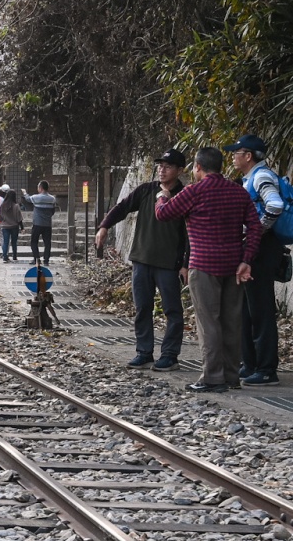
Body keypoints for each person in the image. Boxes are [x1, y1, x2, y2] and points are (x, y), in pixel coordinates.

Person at [155, 146, 261, 393]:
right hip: (234, 266)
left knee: (208, 323)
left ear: (199, 167)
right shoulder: (238, 192)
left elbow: (164, 214)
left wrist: (162, 195)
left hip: (203, 267)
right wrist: (247, 259)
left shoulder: (194, 191)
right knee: (231, 322)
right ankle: (232, 376)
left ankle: (213, 377)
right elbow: (255, 228)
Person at [94, 149, 190, 371]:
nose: (162, 170)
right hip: (142, 260)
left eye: (167, 166)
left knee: (172, 310)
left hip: (168, 264)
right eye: (160, 165)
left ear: (179, 170)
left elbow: (189, 234)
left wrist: (186, 263)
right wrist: (104, 226)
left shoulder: (184, 195)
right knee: (142, 308)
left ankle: (170, 355)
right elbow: (122, 208)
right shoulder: (146, 190)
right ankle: (144, 352)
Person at [227, 135, 286, 385]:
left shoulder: (261, 176)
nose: (233, 156)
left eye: (236, 152)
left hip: (262, 250)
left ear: (248, 156)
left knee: (260, 309)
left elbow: (275, 205)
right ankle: (250, 364)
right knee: (249, 309)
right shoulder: (251, 177)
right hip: (256, 248)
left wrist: (257, 231)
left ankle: (266, 369)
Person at [25, 181, 58, 263]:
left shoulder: (36, 197)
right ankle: (46, 259)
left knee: (34, 241)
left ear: (41, 188)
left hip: (37, 224)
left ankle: (36, 259)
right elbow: (53, 211)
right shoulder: (52, 199)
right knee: (47, 243)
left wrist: (25, 193)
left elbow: (27, 199)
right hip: (47, 224)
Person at [0, 186, 22, 261]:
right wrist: (22, 227)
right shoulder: (16, 206)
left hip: (5, 226)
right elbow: (19, 218)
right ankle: (14, 256)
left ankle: (5, 256)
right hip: (14, 226)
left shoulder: (2, 206)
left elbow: (0, 217)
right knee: (14, 242)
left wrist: (2, 221)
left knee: (6, 242)